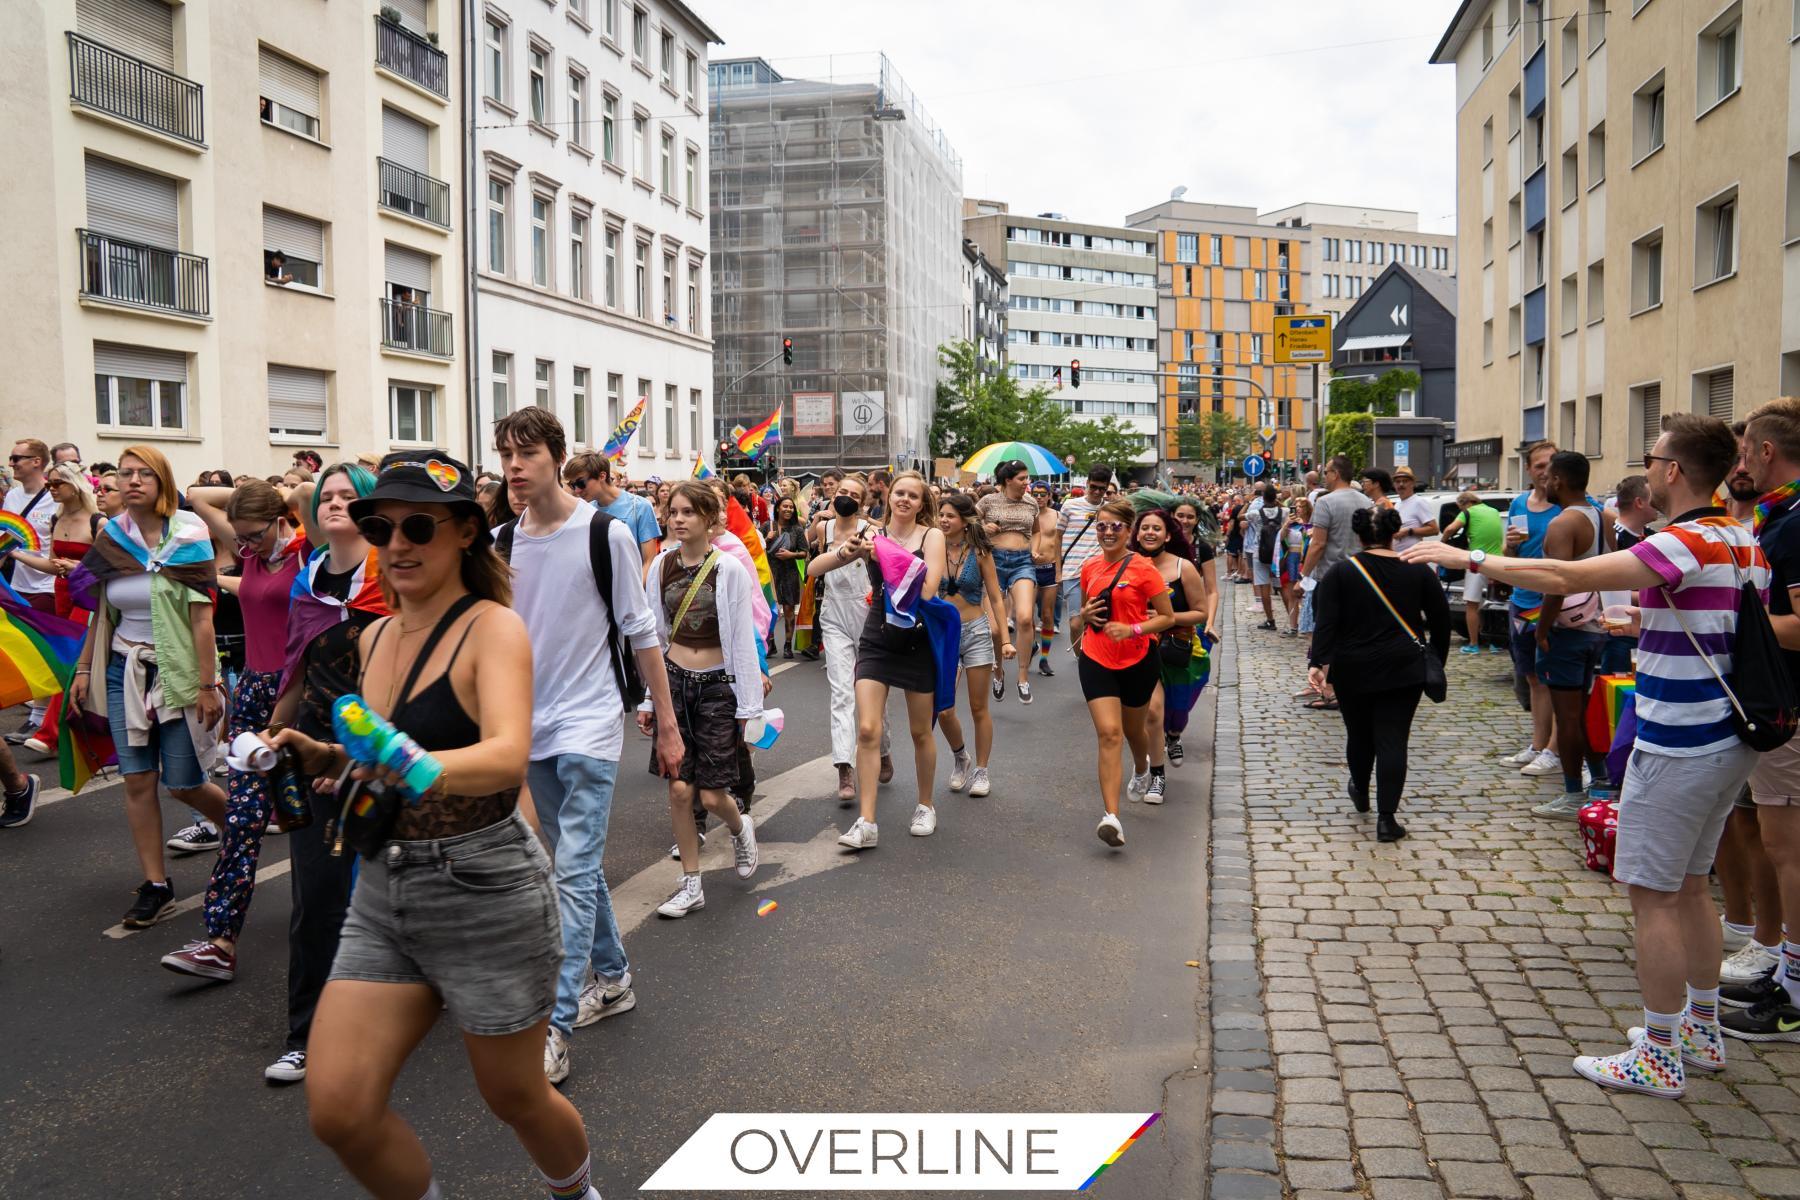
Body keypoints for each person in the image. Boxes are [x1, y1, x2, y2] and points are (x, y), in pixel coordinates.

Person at [260, 451, 602, 1200]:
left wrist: (404, 758)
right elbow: (384, 761)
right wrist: (323, 751)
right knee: (340, 1109)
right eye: (380, 525)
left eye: (420, 525)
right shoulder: (372, 639)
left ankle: (576, 1192)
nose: (397, 543)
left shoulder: (492, 628)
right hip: (386, 888)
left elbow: (508, 757)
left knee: (514, 1097)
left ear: (467, 536)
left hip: (486, 886)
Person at [1406, 413, 1764, 1098]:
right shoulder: (1740, 538)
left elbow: (1564, 574)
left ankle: (1660, 1052)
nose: (1650, 465)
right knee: (1689, 887)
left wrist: (1471, 559)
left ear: (1674, 471)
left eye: (1655, 455)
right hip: (1725, 739)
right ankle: (1700, 1029)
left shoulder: (1685, 540)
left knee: (1652, 897)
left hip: (1680, 740)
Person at [494, 408, 682, 1084]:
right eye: (505, 456)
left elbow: (641, 632)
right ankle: (616, 976)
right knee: (575, 870)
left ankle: (557, 1023)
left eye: (525, 454)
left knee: (570, 873)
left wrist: (666, 722)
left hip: (593, 722)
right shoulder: (499, 542)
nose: (514, 467)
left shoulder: (604, 534)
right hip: (530, 727)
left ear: (555, 455)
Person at [67, 446, 228, 928]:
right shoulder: (111, 536)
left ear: (162, 483)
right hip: (122, 669)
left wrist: (207, 685)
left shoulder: (189, 532)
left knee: (183, 784)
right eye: (126, 474)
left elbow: (203, 619)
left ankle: (241, 827)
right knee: (137, 779)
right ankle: (157, 885)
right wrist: (82, 669)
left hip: (177, 672)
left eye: (144, 474)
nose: (133, 481)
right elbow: (102, 610)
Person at [154, 479, 304, 983]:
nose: (245, 547)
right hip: (255, 695)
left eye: (254, 536)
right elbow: (197, 495)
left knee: (318, 823)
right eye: (239, 538)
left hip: (302, 699)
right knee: (241, 820)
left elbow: (307, 489)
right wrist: (228, 567)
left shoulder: (310, 552)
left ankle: (350, 929)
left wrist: (285, 502)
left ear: (281, 520)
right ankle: (219, 942)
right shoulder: (255, 554)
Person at [266, 462, 385, 1084]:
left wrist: (366, 757)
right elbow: (299, 670)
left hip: (389, 748)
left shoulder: (393, 575)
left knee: (393, 888)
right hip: (313, 745)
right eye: (325, 496)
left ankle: (399, 1004)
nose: (334, 503)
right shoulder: (308, 580)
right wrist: (270, 733)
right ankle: (307, 1033)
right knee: (315, 894)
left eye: (347, 495)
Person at [643, 481, 763, 916]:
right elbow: (653, 636)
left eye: (688, 512)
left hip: (716, 686)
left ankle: (739, 826)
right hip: (674, 681)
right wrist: (647, 700)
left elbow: (741, 641)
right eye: (673, 511)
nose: (677, 519)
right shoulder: (660, 566)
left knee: (713, 796)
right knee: (678, 789)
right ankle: (691, 884)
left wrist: (750, 708)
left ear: (710, 519)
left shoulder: (727, 569)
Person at [1718, 398, 1800, 1041]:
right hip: (1779, 700)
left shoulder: (1794, 523)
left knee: (1788, 850)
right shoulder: (1783, 515)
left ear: (1767, 452)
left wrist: (1733, 626)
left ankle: (1795, 993)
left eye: (1745, 451)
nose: (1739, 462)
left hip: (1789, 704)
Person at [1309, 507, 1450, 843]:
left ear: (1359, 536)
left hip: (1352, 668)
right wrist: (1435, 661)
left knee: (1358, 735)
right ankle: (1387, 820)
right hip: (1404, 669)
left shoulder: (1341, 573)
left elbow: (1325, 623)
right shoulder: (1418, 571)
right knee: (1392, 739)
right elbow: (1441, 621)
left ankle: (1359, 786)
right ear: (1394, 532)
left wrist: (1317, 664)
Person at [838, 471, 946, 850]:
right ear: (887, 495)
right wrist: (848, 550)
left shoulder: (932, 536)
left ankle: (925, 804)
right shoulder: (871, 534)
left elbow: (929, 588)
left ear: (922, 503)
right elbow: (825, 563)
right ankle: (867, 821)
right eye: (899, 492)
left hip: (917, 639)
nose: (904, 500)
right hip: (877, 638)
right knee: (868, 729)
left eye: (912, 496)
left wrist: (885, 555)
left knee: (921, 732)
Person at [1076, 499, 1176, 848]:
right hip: (1096, 656)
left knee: (1135, 729)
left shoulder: (1144, 569)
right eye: (1100, 526)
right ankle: (1111, 817)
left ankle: (1141, 767)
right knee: (1109, 733)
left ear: (1128, 531)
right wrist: (1085, 615)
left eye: (1114, 527)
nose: (1106, 533)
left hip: (1137, 659)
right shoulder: (1089, 568)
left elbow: (1167, 618)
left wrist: (1132, 630)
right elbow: (1081, 617)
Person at [1529, 451, 1614, 820]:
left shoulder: (1563, 524)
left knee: (1568, 718)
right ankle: (1600, 782)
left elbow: (1557, 585)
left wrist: (1543, 629)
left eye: (1548, 477)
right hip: (1597, 625)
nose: (1544, 483)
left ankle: (1571, 794)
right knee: (1586, 713)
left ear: (1559, 481)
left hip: (1567, 630)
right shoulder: (1602, 516)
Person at [7, 463, 102, 753]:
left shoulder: (98, 522)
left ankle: (50, 735)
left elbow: (107, 568)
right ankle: (79, 732)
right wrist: (14, 552)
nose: (52, 488)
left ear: (75, 484)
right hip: (61, 593)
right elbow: (51, 565)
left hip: (86, 597)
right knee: (72, 663)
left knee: (72, 662)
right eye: (50, 484)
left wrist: (78, 567)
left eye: (57, 483)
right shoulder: (56, 519)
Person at [809, 475, 890, 802]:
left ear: (863, 501)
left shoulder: (872, 532)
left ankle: (882, 749)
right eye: (842, 491)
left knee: (872, 690)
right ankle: (844, 765)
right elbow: (814, 567)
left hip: (866, 611)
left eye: (853, 494)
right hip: (833, 612)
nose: (845, 497)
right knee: (841, 691)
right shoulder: (823, 530)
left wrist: (869, 551)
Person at [937, 493, 1011, 798]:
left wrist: (1004, 640)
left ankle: (982, 770)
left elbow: (995, 596)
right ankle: (960, 757)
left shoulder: (980, 552)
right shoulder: (933, 548)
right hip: (943, 634)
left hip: (977, 631)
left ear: (964, 521)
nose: (943, 520)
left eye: (949, 516)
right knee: (943, 709)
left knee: (979, 707)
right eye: (941, 514)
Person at [1131, 508, 1206, 803]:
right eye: (1145, 528)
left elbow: (1201, 612)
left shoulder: (1182, 567)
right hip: (1140, 649)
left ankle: (1173, 736)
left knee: (1177, 714)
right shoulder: (1130, 565)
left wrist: (1166, 617)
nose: (1150, 533)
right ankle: (1156, 776)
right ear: (1136, 534)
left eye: (1156, 528)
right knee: (1151, 712)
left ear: (1168, 534)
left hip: (1178, 650)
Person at [1504, 441, 1563, 777]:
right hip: (1522, 600)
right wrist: (1509, 546)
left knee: (1555, 678)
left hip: (1554, 604)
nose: (1546, 471)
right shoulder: (1518, 503)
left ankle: (1556, 749)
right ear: (1528, 470)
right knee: (1533, 678)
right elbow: (1510, 555)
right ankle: (1538, 744)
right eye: (1539, 465)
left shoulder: (1568, 507)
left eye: (1551, 464)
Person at [1297, 456, 1373, 710]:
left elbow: (1318, 543)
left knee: (1327, 634)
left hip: (1330, 578)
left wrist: (1304, 576)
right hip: (1362, 577)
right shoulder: (1367, 501)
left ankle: (1330, 691)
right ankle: (1353, 686)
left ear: (1336, 474)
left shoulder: (1326, 502)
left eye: (1326, 471)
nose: (1323, 476)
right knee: (1355, 634)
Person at [976, 460, 1041, 704]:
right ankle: (998, 671)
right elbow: (968, 524)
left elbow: (1035, 531)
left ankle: (1022, 677)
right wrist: (983, 527)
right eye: (1022, 478)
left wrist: (1034, 549)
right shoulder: (988, 501)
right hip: (992, 562)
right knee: (994, 628)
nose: (1027, 483)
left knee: (1025, 617)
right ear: (1007, 480)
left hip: (1022, 561)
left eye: (1027, 478)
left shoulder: (1031, 502)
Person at [563, 451, 660, 568]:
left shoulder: (639, 506)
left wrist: (632, 586)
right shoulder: (586, 510)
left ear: (602, 476)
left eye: (581, 483)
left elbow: (649, 562)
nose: (577, 490)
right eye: (573, 485)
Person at [1441, 492, 1505, 655]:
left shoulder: (1468, 512)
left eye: (1460, 507)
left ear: (1465, 504)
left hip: (1477, 561)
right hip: (1497, 562)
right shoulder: (1493, 511)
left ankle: (1474, 644)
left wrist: (1443, 543)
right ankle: (1494, 642)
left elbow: (1450, 528)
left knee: (1472, 604)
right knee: (1493, 603)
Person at [1057, 465, 1112, 654]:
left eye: (1102, 489)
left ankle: (1091, 658)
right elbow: (1057, 537)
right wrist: (1058, 570)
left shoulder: (1110, 509)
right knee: (1075, 623)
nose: (1097, 492)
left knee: (1100, 619)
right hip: (1073, 570)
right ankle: (1081, 655)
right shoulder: (1070, 506)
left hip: (1103, 572)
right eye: (1093, 487)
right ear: (1087, 483)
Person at [767, 495, 808, 659]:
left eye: (791, 507)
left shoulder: (797, 529)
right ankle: (770, 644)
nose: (788, 509)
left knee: (789, 610)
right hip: (771, 573)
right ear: (778, 508)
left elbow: (805, 552)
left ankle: (787, 645)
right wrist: (765, 538)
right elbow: (757, 549)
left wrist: (791, 554)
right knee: (769, 610)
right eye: (785, 506)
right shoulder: (767, 526)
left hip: (789, 573)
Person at [1244, 485, 1283, 630]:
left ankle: (1270, 620)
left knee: (1264, 588)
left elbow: (1241, 516)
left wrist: (1248, 502)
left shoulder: (1255, 513)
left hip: (1259, 552)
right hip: (1278, 553)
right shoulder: (1283, 512)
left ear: (1263, 497)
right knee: (1282, 587)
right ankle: (1292, 619)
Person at [1276, 497, 1310, 638]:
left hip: (1305, 559)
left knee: (1306, 594)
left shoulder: (1310, 524)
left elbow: (1309, 539)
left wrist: (1304, 526)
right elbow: (1281, 537)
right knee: (1291, 594)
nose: (1298, 509)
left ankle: (1306, 625)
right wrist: (1286, 525)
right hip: (1291, 558)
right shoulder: (1290, 523)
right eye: (1296, 506)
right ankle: (1293, 626)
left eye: (1301, 506)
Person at [1390, 467, 1439, 553]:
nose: (1401, 484)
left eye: (1405, 481)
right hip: (1399, 557)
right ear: (1394, 485)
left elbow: (1434, 529)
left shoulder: (1419, 502)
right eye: (1398, 481)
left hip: (1412, 558)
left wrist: (1408, 531)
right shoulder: (1397, 504)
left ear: (1412, 483)